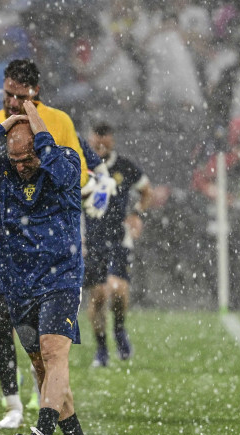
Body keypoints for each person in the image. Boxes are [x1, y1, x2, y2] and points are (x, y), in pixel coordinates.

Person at [0, 58, 92, 430]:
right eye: (8, 94)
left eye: (19, 96)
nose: (12, 102)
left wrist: (47, 181)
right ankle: (12, 402)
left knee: (42, 334)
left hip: (46, 239)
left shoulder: (58, 122)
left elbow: (76, 175)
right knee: (0, 317)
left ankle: (43, 389)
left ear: (35, 93)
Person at [84, 122, 166, 367]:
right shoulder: (82, 166)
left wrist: (137, 214)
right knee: (99, 295)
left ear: (112, 140)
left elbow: (147, 191)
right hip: (91, 240)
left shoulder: (124, 166)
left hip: (118, 237)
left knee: (118, 290)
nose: (100, 143)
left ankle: (119, 329)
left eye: (105, 138)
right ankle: (101, 349)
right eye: (96, 138)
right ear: (90, 139)